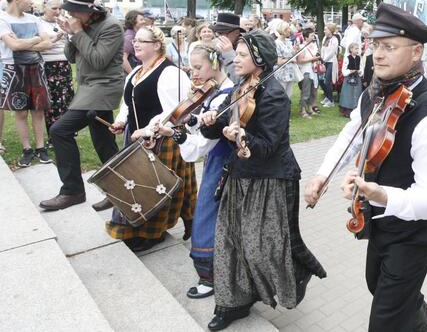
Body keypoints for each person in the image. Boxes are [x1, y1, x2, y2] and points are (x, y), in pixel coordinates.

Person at [304, 3, 427, 332]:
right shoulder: (376, 92)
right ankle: (419, 317)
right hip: (380, 214)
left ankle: (410, 317)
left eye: (389, 47)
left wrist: (379, 193)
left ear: (417, 52)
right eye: (376, 46)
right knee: (376, 283)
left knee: (385, 318)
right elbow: (353, 134)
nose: (378, 55)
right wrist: (323, 174)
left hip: (416, 227)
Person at [200, 30, 326, 330]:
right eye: (238, 54)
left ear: (259, 59)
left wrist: (243, 136)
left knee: (260, 247)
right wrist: (209, 123)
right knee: (230, 241)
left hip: (271, 179)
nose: (236, 59)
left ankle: (298, 268)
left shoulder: (274, 95)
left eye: (242, 55)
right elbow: (219, 126)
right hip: (240, 176)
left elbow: (268, 146)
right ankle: (232, 303)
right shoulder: (240, 88)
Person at [154, 45, 234, 298]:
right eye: (191, 68)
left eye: (198, 68)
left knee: (207, 216)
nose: (193, 74)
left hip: (222, 162)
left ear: (216, 64)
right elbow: (189, 123)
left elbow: (197, 147)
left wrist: (174, 133)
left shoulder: (225, 97)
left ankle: (210, 277)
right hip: (216, 160)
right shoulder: (212, 92)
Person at [106, 25, 195, 252]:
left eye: (142, 41)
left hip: (161, 140)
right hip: (136, 139)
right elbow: (128, 103)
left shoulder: (170, 73)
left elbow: (174, 112)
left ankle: (154, 233)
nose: (135, 44)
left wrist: (146, 130)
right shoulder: (136, 72)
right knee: (137, 187)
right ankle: (137, 229)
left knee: (156, 188)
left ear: (156, 45)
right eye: (135, 40)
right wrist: (121, 121)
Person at [39, 0, 123, 211]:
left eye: (75, 11)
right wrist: (70, 34)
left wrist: (77, 33)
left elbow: (98, 60)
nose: (72, 15)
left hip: (103, 89)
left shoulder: (112, 26)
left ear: (91, 10)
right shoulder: (84, 25)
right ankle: (119, 191)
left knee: (59, 130)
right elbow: (71, 57)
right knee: (104, 143)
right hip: (88, 88)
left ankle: (73, 191)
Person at [0, 0, 54, 167]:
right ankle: (27, 149)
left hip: (35, 68)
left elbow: (47, 43)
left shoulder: (34, 18)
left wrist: (25, 43)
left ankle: (40, 148)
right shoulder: (2, 19)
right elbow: (13, 47)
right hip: (14, 69)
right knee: (20, 111)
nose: (32, 1)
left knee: (38, 110)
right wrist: (35, 39)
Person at [38, 0, 75, 140]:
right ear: (44, 7)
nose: (57, 11)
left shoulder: (63, 22)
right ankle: (53, 135)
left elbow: (72, 41)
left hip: (63, 62)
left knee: (65, 99)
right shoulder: (38, 23)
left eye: (60, 8)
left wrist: (68, 31)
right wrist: (55, 38)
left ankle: (67, 132)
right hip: (47, 64)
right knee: (51, 100)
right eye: (54, 8)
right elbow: (39, 45)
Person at [211, 12, 244, 82]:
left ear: (237, 33)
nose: (219, 37)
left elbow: (240, 80)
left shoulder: (245, 48)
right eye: (217, 33)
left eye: (222, 33)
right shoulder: (214, 44)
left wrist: (229, 53)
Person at [273, 21, 299, 99]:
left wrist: (295, 50)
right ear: (283, 30)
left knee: (288, 95)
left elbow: (291, 55)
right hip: (281, 74)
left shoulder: (288, 42)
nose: (289, 30)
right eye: (288, 28)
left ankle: (286, 110)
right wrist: (291, 60)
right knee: (281, 95)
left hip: (290, 72)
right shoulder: (277, 43)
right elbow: (279, 61)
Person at [297, 28, 319, 118]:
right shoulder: (302, 47)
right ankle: (302, 110)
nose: (313, 37)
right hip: (306, 71)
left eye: (313, 35)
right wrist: (312, 59)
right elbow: (300, 60)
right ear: (306, 37)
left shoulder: (314, 46)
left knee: (313, 91)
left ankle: (310, 108)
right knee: (305, 91)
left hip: (314, 71)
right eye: (311, 35)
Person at [339, 42, 362, 117]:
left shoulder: (359, 57)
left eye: (357, 48)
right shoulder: (347, 57)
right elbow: (344, 69)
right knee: (348, 94)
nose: (357, 50)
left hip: (357, 78)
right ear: (351, 49)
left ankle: (355, 109)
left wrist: (360, 72)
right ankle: (347, 111)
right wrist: (349, 71)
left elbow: (361, 67)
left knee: (356, 93)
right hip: (349, 78)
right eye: (355, 48)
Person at [320, 23, 339, 107]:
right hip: (324, 62)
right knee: (322, 81)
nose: (324, 31)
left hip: (331, 62)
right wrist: (321, 59)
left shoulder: (334, 40)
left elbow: (332, 52)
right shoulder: (325, 38)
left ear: (330, 30)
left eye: (326, 29)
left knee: (328, 81)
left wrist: (325, 59)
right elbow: (323, 49)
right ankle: (327, 97)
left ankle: (331, 101)